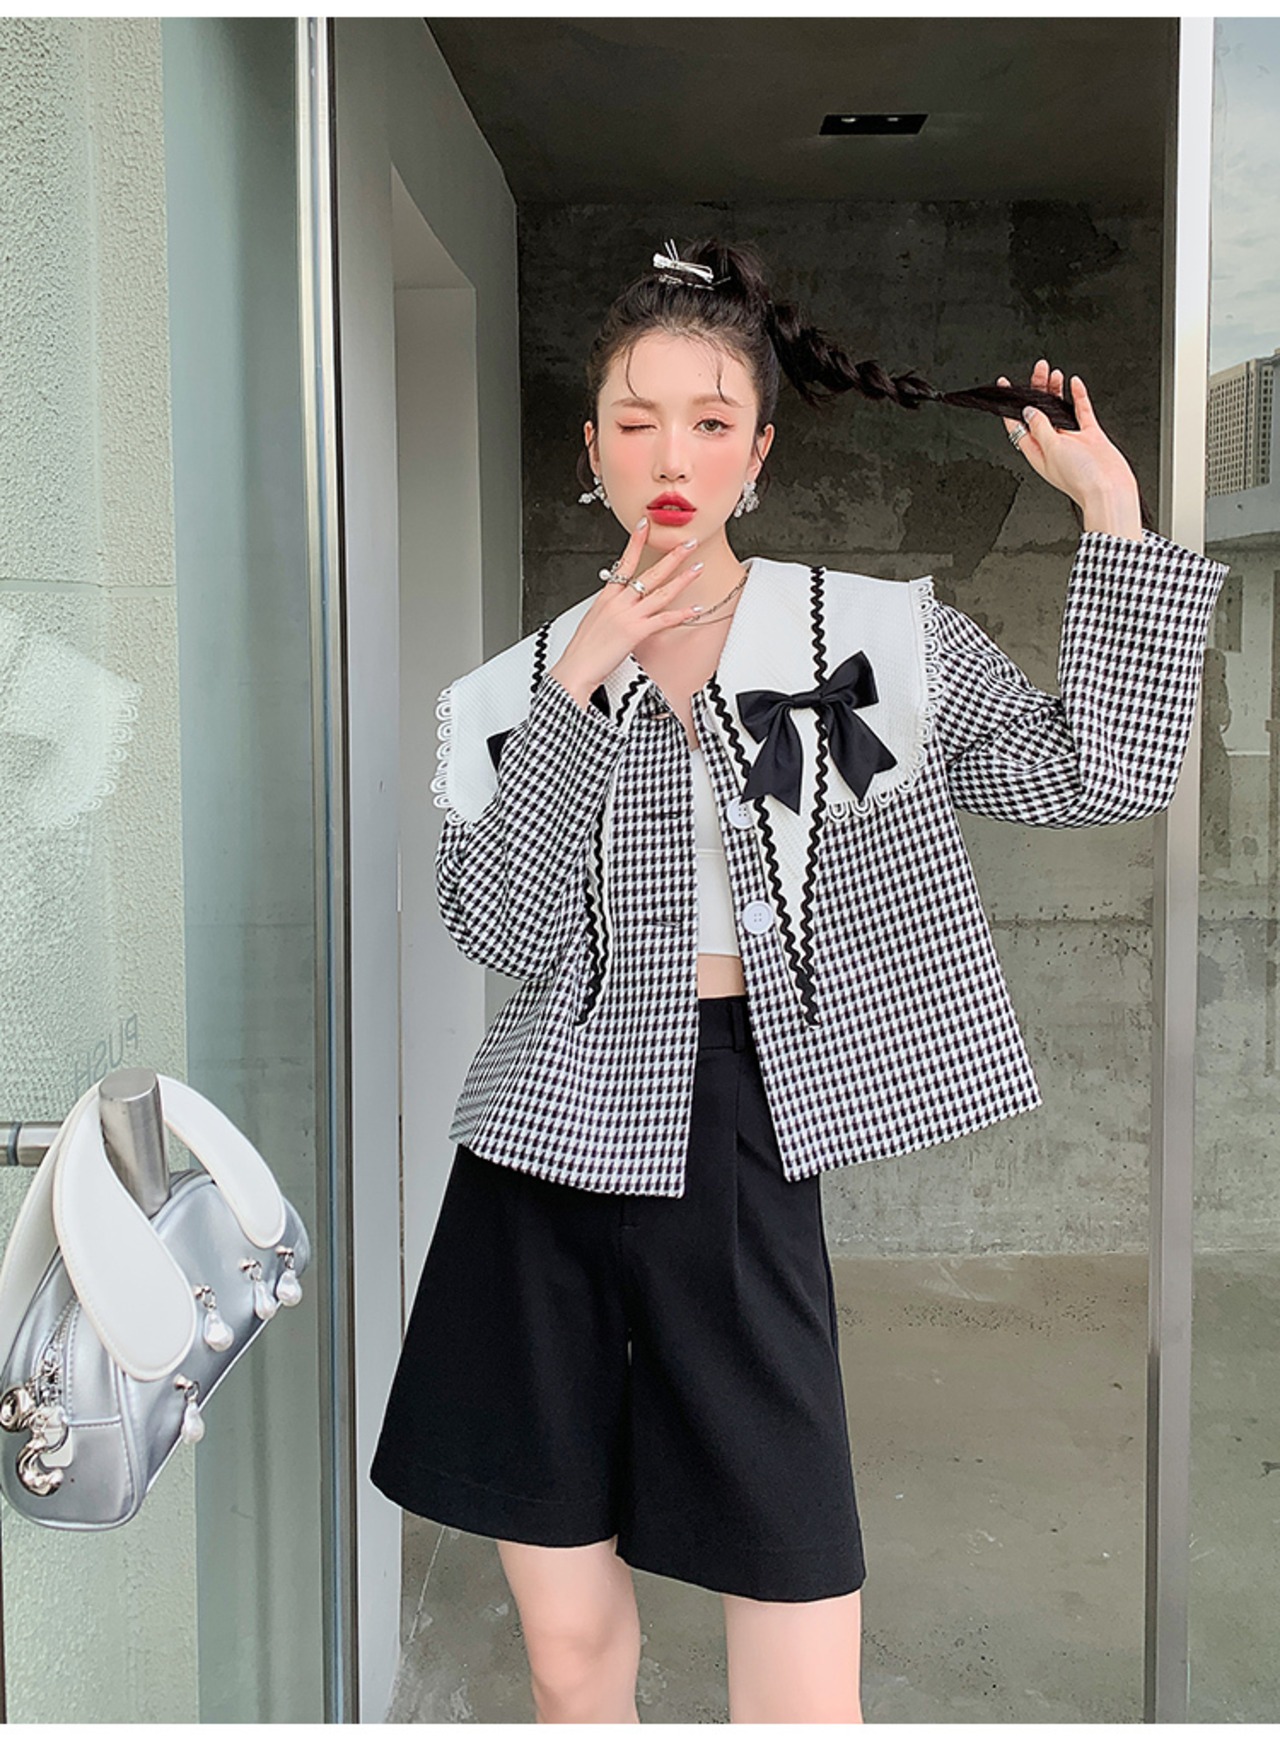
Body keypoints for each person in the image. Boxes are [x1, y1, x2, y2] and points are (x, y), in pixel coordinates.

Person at [370, 237, 1228, 1723]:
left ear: (760, 451)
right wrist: (579, 679)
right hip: (535, 1159)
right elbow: (497, 927)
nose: (672, 458)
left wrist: (1114, 515)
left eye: (711, 421)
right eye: (636, 420)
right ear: (590, 448)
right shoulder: (506, 690)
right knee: (568, 1648)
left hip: (744, 1129)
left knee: (799, 1625)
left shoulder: (874, 635)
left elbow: (1104, 767)